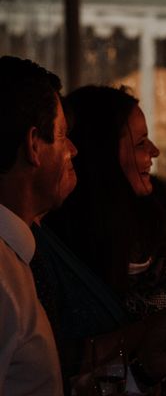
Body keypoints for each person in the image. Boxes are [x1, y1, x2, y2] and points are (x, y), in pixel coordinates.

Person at [44, 85, 166, 395]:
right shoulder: (61, 245)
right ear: (102, 155)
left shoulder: (161, 217)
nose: (154, 151)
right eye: (139, 143)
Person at [0, 56, 72, 395]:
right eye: (62, 136)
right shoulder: (2, 278)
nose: (72, 150)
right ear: (33, 145)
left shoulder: (16, 252)